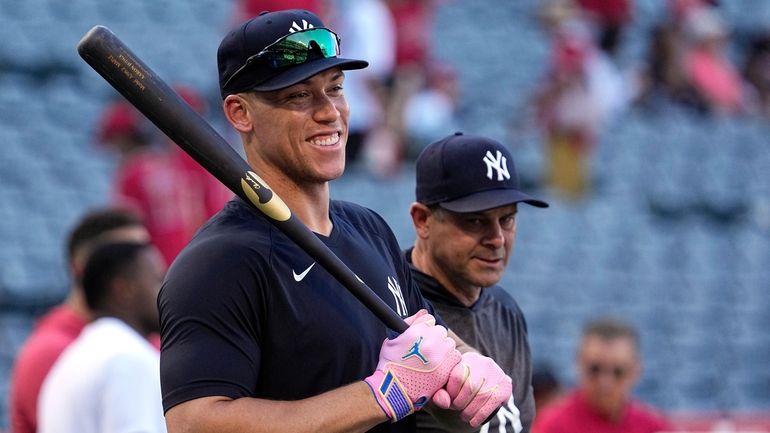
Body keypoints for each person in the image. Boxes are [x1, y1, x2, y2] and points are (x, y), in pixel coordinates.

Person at [158, 9, 514, 433]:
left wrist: (465, 368)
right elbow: (194, 423)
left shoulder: (369, 229)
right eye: (299, 96)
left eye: (336, 89)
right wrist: (380, 396)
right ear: (239, 113)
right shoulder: (219, 262)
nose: (330, 112)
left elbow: (425, 343)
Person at [406, 132, 549, 433]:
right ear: (423, 220)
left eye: (507, 219)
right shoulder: (387, 306)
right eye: (475, 220)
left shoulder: (506, 310)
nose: (497, 238)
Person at [8, 207, 150, 433]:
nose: (147, 264)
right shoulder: (52, 353)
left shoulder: (141, 338)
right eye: (126, 255)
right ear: (82, 268)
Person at [38, 241, 168, 433]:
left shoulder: (78, 356)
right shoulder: (127, 359)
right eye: (158, 281)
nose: (167, 293)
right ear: (124, 289)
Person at [532, 317, 674, 433]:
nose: (605, 382)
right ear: (578, 363)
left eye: (618, 372)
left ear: (636, 370)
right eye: (595, 369)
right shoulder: (552, 426)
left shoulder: (654, 427)